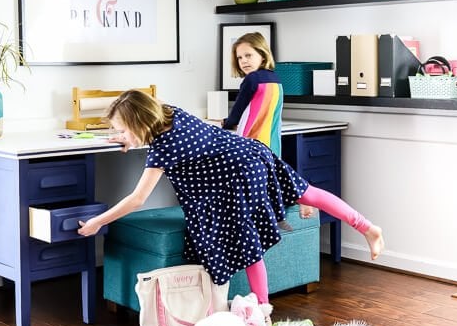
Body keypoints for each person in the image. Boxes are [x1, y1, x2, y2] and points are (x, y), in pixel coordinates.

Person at [78, 91, 384, 310]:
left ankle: (262, 307)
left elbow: (137, 199)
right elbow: (154, 136)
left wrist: (97, 222)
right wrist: (128, 138)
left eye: (121, 130)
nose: (119, 134)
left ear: (139, 124)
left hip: (234, 176)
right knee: (307, 192)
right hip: (252, 152)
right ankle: (367, 227)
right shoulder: (170, 112)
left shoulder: (163, 149)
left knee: (244, 239)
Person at [221, 32, 283, 156]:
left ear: (263, 55)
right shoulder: (276, 79)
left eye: (248, 55)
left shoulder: (252, 79)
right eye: (240, 58)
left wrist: (226, 123)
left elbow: (238, 110)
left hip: (251, 143)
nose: (244, 61)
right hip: (273, 145)